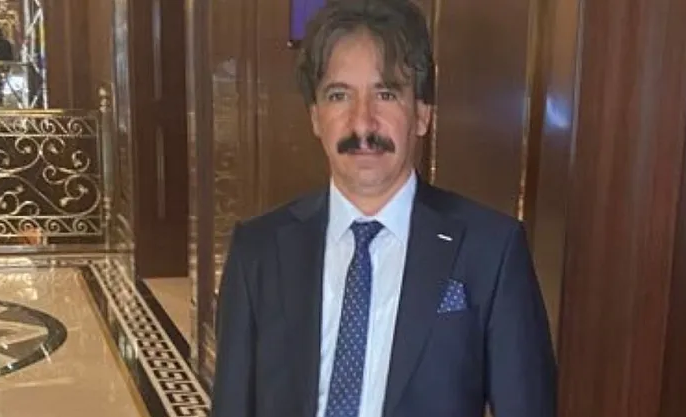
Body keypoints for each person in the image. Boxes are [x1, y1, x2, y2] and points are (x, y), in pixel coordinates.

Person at [210, 1, 557, 416]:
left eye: (386, 94)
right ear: (316, 117)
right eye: (339, 96)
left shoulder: (491, 250)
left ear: (422, 114)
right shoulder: (258, 250)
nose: (362, 123)